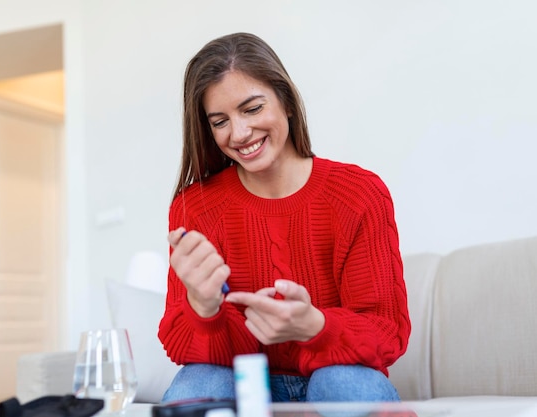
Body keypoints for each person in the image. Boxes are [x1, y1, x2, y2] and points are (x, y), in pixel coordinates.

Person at [158, 32, 410, 403]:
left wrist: (315, 326)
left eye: (253, 109)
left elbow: (388, 332)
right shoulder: (194, 206)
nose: (239, 133)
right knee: (200, 384)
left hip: (332, 377)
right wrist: (203, 307)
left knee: (343, 384)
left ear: (287, 102)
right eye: (219, 121)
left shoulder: (359, 193)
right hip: (244, 383)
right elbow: (179, 343)